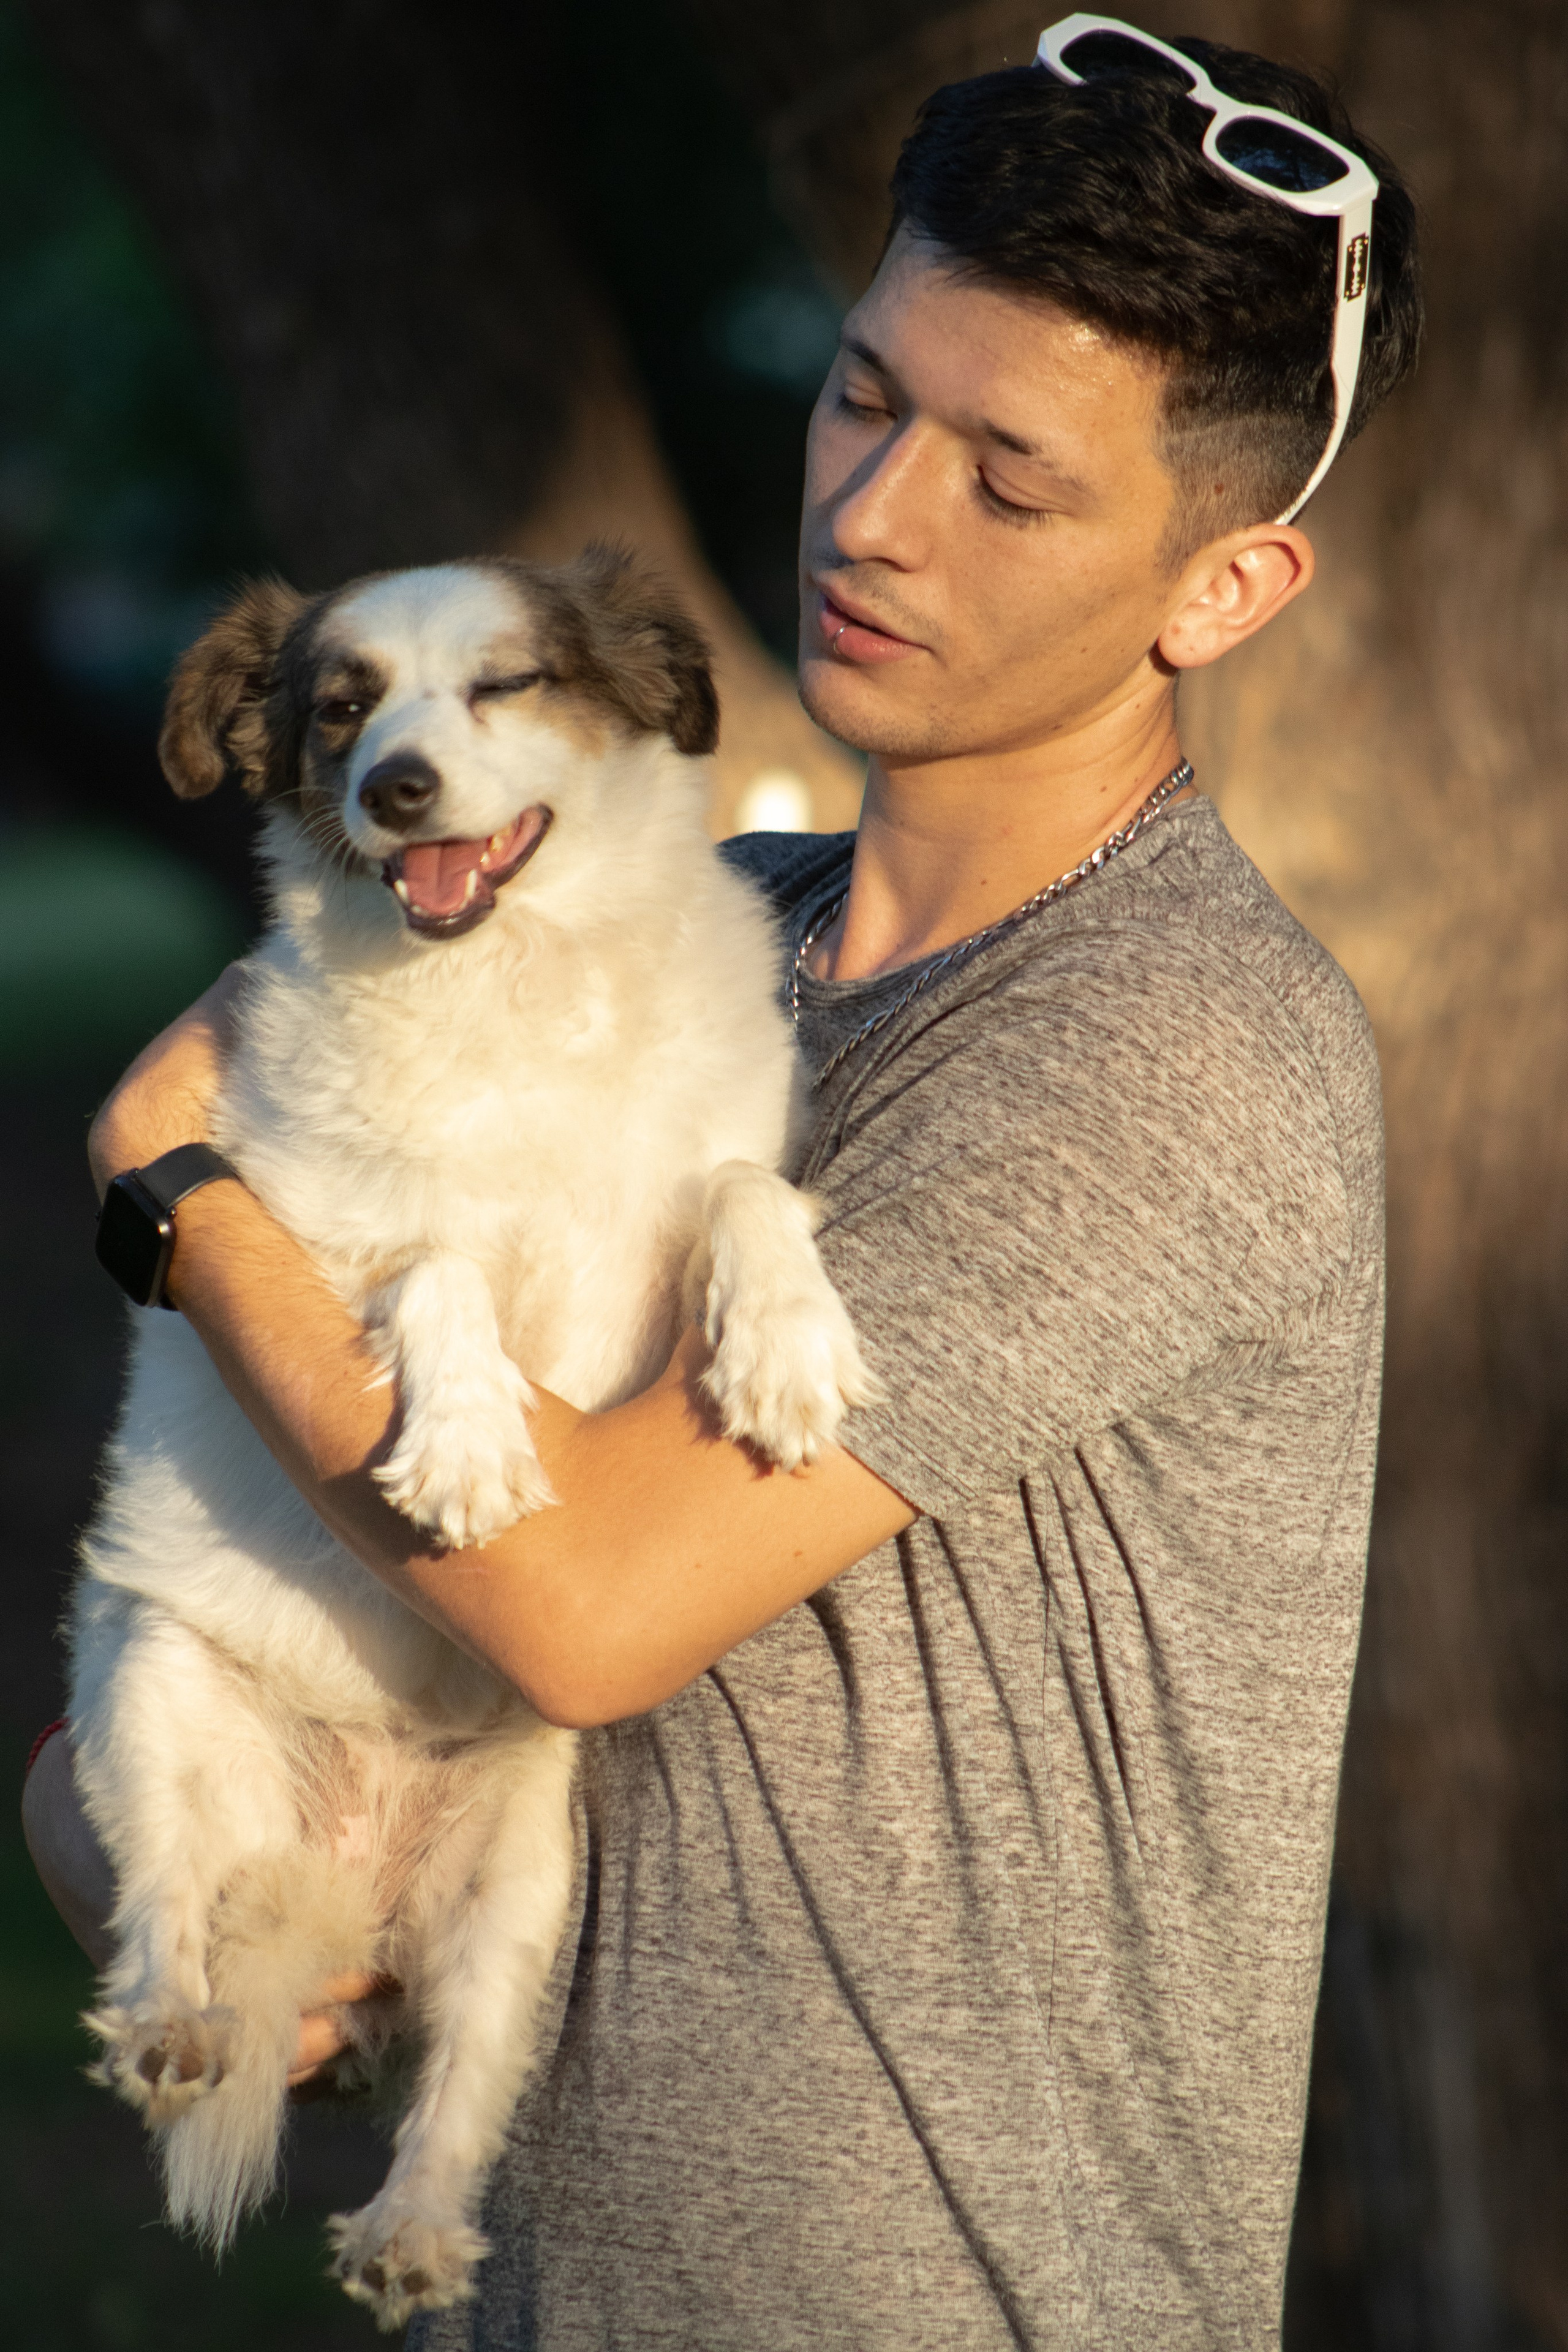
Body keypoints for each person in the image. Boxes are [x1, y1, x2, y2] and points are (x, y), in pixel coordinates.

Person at [25, 20, 1422, 2348]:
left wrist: (169, 1191)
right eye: (867, 394)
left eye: (1012, 477)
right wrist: (136, 1821)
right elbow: (229, 1631)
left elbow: (570, 1604)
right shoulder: (692, 936)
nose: (873, 513)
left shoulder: (1170, 1035)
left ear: (1223, 589)